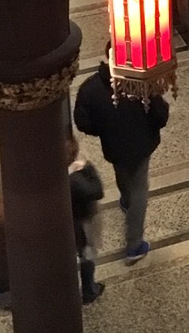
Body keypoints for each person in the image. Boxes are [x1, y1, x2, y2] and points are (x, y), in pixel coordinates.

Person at [73, 51, 169, 263]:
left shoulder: (90, 88)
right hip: (142, 145)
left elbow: (83, 122)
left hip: (114, 146)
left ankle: (126, 200)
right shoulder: (141, 81)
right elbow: (160, 114)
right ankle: (134, 245)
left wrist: (103, 129)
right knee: (139, 190)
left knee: (122, 173)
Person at [67, 133, 105, 305]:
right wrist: (87, 168)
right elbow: (97, 191)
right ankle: (89, 289)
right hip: (84, 221)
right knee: (88, 253)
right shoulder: (75, 179)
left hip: (73, 220)